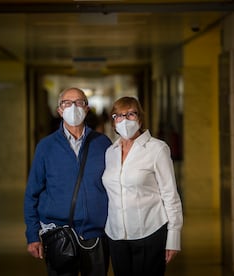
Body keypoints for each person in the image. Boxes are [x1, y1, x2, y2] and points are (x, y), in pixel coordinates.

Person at [24, 87, 112, 276]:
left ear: (87, 109)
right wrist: (33, 235)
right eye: (67, 103)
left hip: (96, 235)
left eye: (79, 102)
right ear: (59, 110)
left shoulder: (103, 144)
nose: (73, 107)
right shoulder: (46, 147)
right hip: (59, 236)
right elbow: (32, 193)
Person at [102, 96, 183, 276]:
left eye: (131, 114)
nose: (125, 120)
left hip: (150, 232)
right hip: (116, 236)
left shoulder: (157, 149)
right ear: (113, 122)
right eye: (119, 116)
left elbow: (170, 195)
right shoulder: (110, 152)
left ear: (140, 118)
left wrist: (174, 237)